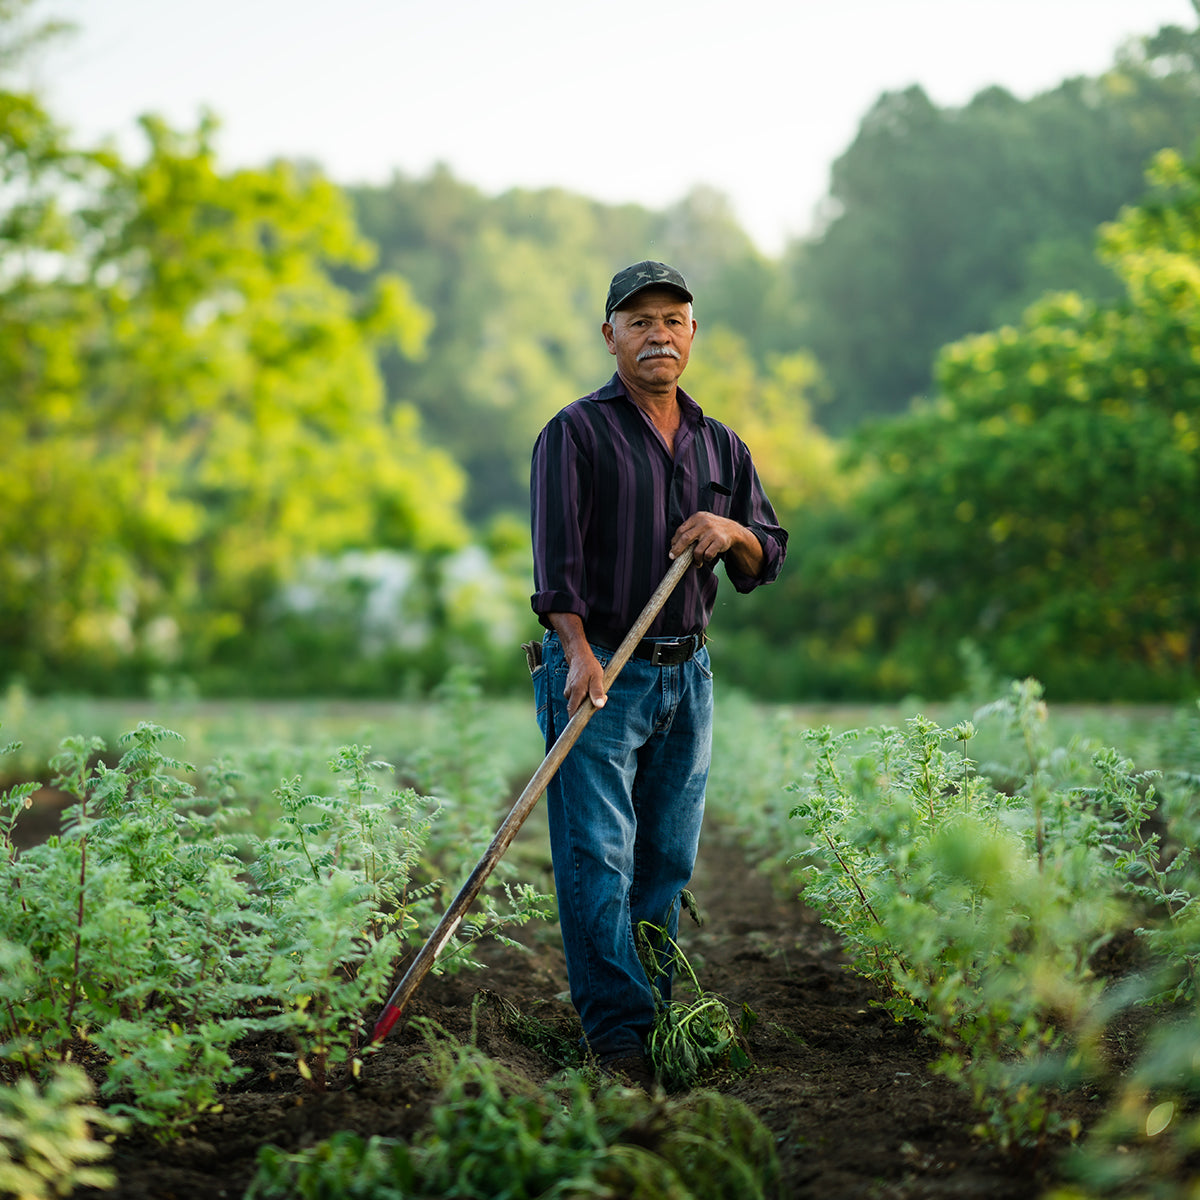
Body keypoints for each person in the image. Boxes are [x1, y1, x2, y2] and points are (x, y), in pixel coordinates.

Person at [529, 259, 787, 1087]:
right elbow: (557, 571)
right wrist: (578, 655)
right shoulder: (575, 433)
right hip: (602, 669)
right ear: (610, 336)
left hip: (688, 675)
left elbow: (766, 553)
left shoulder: (721, 444)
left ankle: (656, 1019)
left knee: (666, 864)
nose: (658, 335)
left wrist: (730, 530)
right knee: (598, 859)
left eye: (672, 320)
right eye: (639, 322)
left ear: (692, 333)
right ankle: (618, 1042)